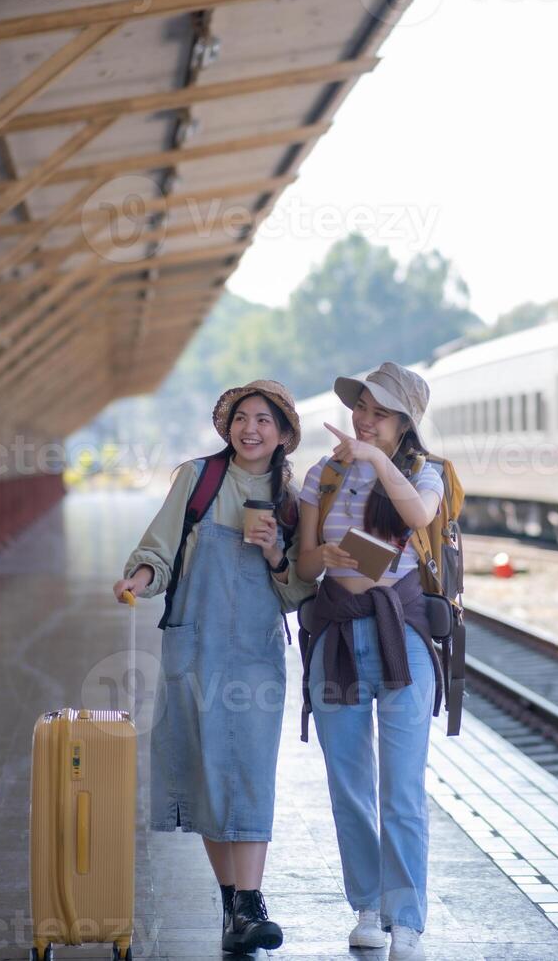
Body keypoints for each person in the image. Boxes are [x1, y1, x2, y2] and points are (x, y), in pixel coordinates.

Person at [113, 380, 315, 955]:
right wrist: (139, 579)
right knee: (205, 771)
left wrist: (275, 552)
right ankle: (232, 906)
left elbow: (299, 588)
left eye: (264, 421)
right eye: (242, 418)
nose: (251, 429)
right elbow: (158, 549)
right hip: (195, 646)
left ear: (282, 435)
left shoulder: (293, 498)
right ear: (229, 426)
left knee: (249, 768)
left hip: (255, 654)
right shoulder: (197, 479)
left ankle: (250, 903)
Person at [296, 362, 445, 961]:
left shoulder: (424, 472)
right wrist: (324, 553)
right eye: (362, 406)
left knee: (402, 787)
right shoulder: (321, 474)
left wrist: (377, 460)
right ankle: (367, 907)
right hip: (337, 637)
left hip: (402, 637)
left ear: (404, 423)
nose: (364, 418)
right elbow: (304, 567)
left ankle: (406, 917)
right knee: (348, 784)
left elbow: (419, 518)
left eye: (379, 412)